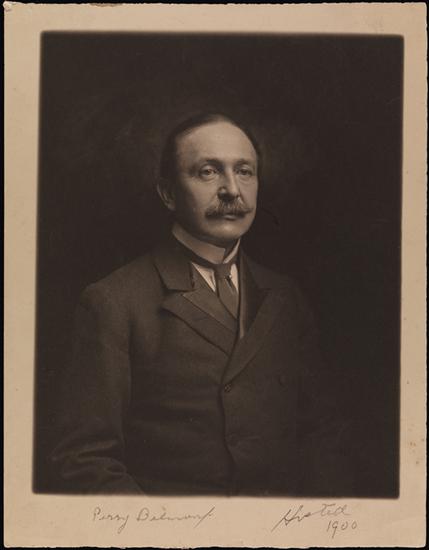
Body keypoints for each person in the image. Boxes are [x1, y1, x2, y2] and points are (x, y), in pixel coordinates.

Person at [51, 113, 350, 495]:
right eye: (208, 172)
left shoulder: (285, 296)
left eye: (244, 171)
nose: (232, 190)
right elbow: (85, 460)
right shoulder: (114, 302)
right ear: (168, 193)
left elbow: (323, 436)